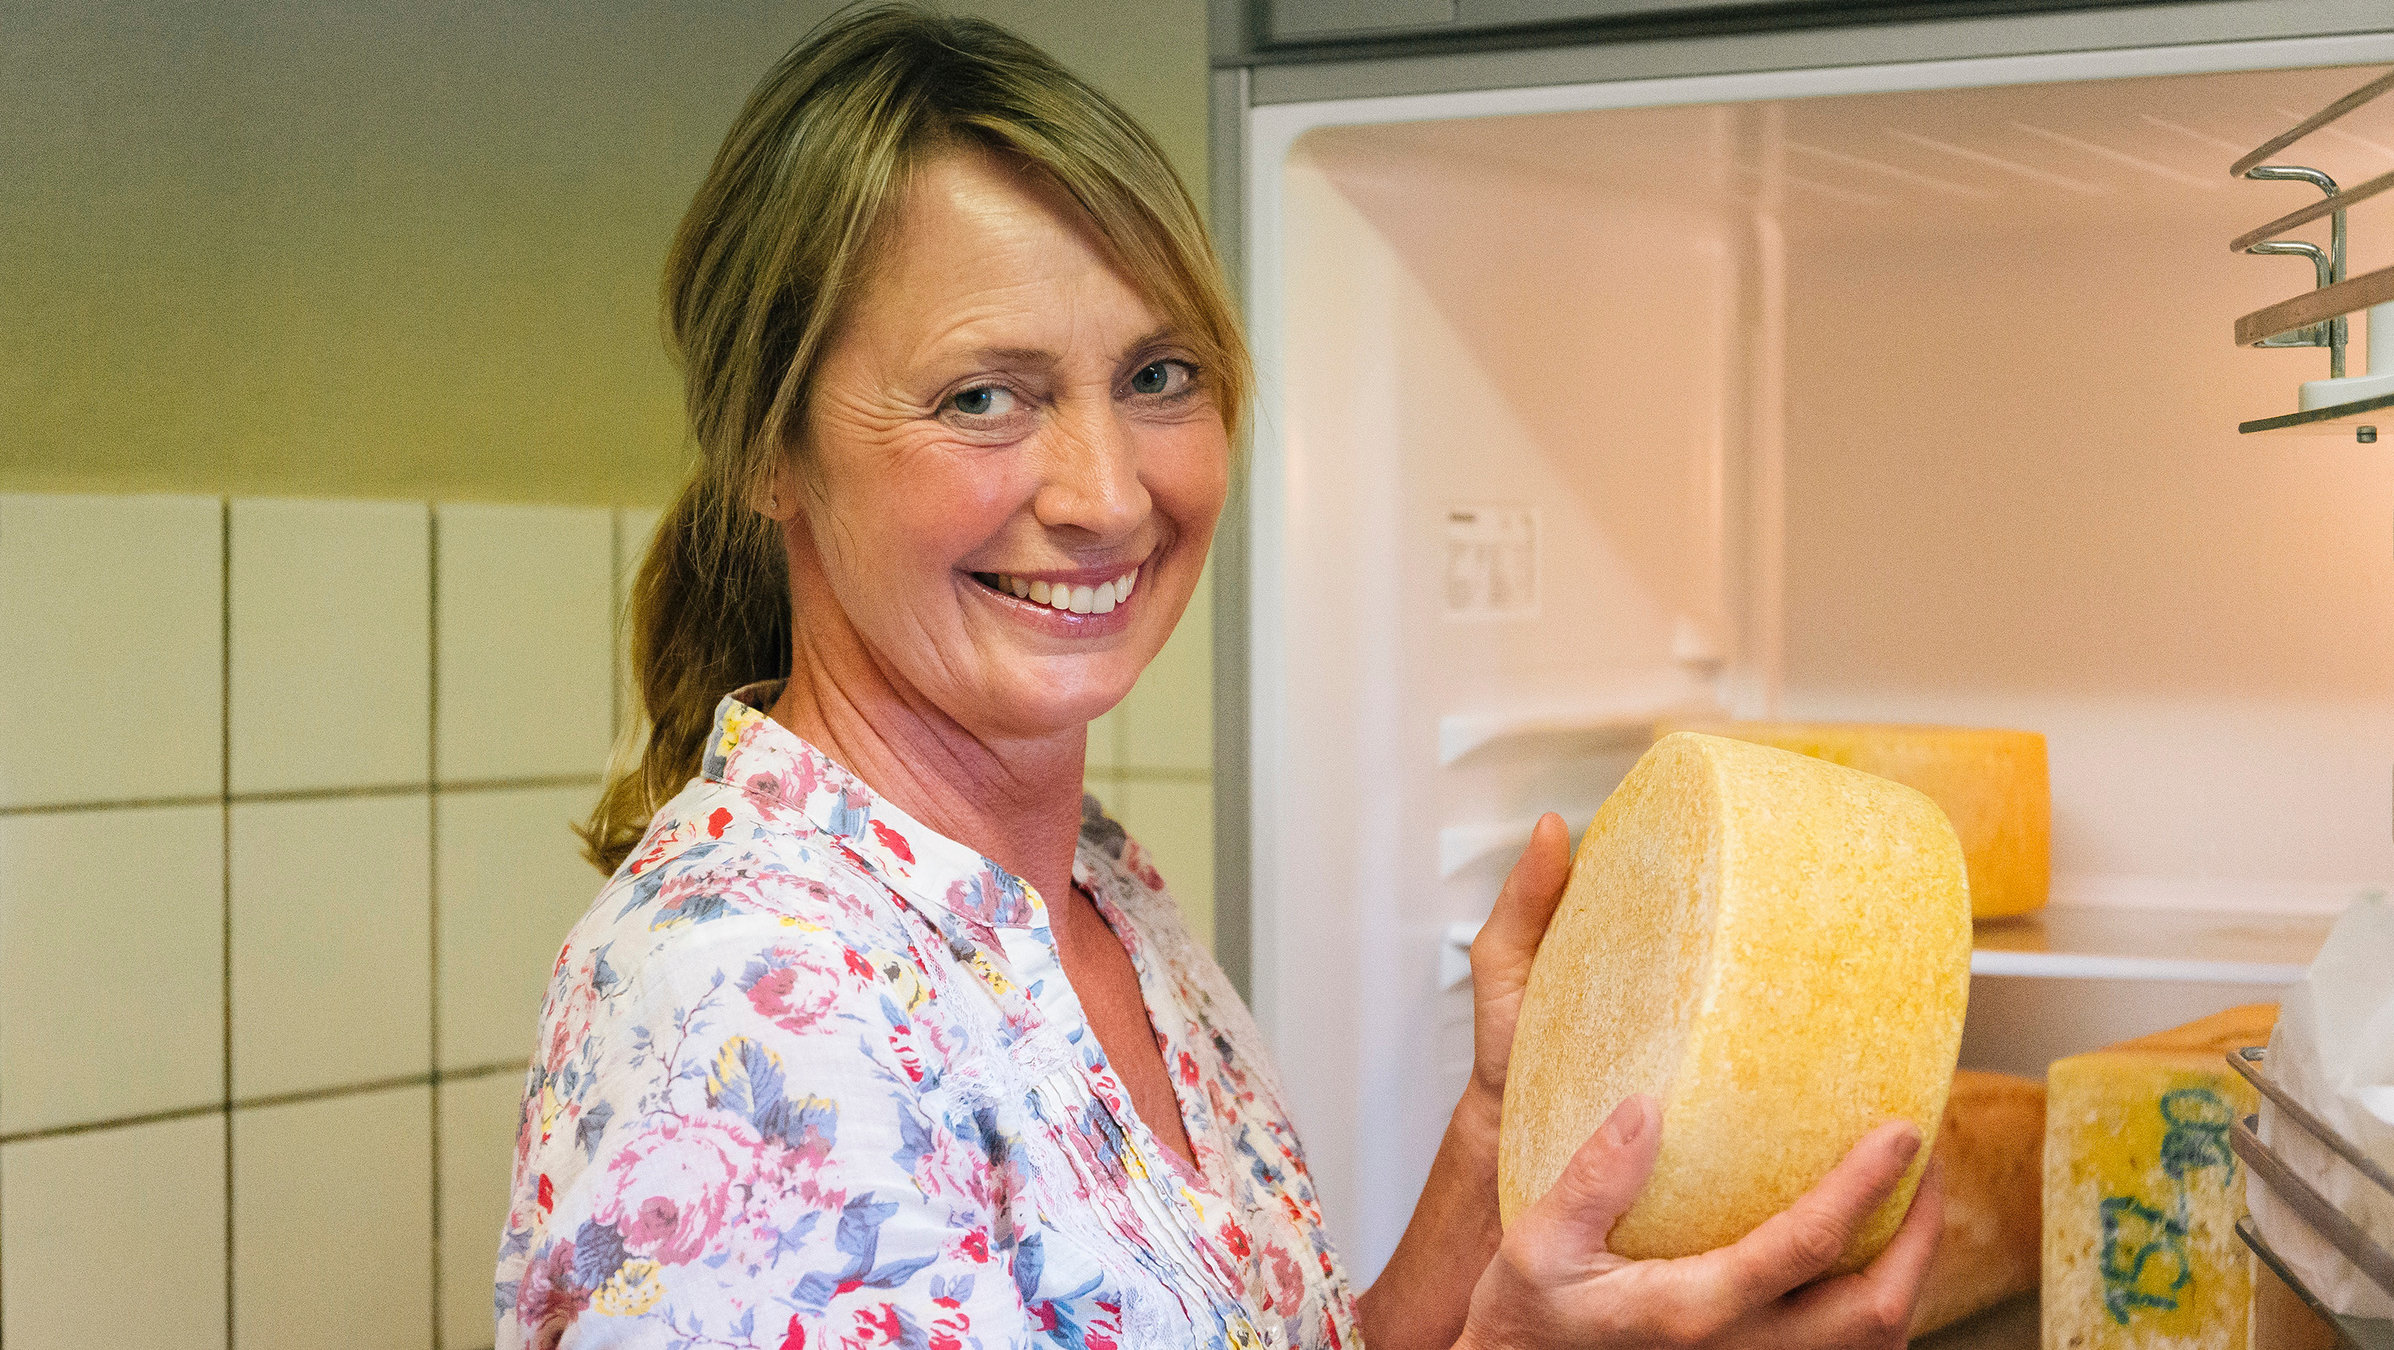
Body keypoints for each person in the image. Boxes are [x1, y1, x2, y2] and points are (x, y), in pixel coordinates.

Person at [497, 7, 1944, 1348]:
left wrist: (1498, 1137)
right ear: (767, 448)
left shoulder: (1095, 895)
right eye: (982, 398)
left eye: (1157, 377)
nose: (1107, 494)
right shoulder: (741, 999)